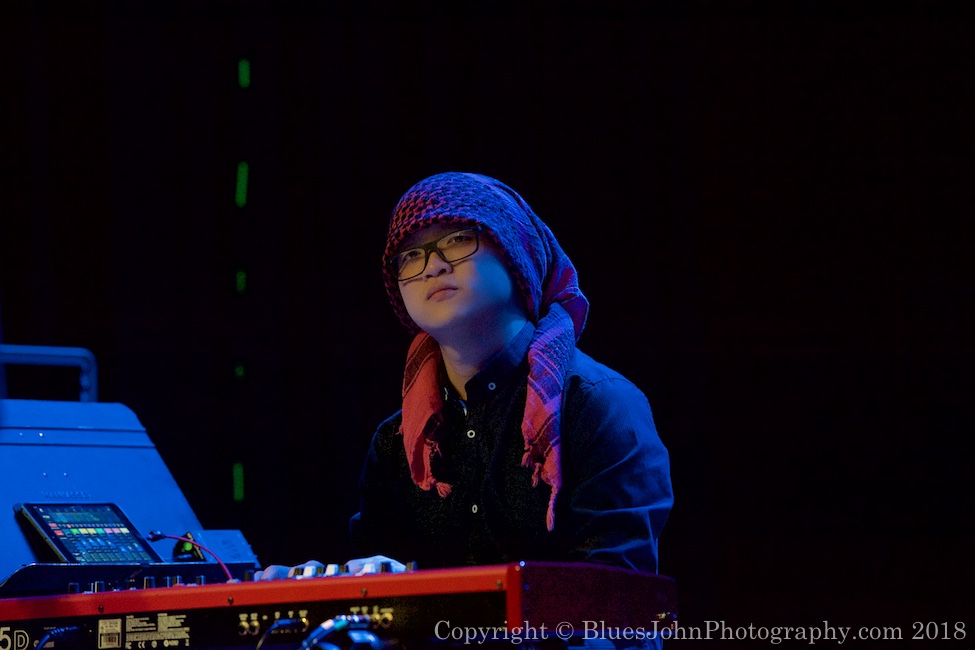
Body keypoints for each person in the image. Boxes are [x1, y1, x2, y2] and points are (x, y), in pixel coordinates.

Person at [258, 170, 672, 581]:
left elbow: (616, 599)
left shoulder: (598, 406)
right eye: (410, 255)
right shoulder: (396, 443)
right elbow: (377, 604)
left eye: (457, 240)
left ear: (516, 254)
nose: (431, 267)